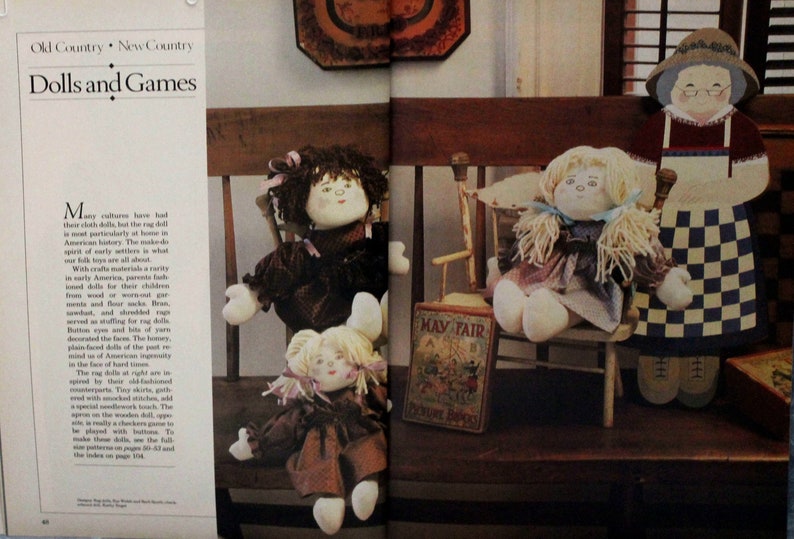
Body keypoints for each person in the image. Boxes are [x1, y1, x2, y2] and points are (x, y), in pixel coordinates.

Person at [627, 28, 770, 406]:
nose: (702, 96)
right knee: (658, 288)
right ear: (673, 85)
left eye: (714, 87)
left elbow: (755, 177)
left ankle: (702, 362)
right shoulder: (659, 126)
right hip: (666, 226)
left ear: (732, 86)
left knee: (713, 298)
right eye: (690, 87)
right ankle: (656, 358)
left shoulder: (740, 128)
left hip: (724, 230)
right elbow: (637, 175)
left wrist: (709, 193)